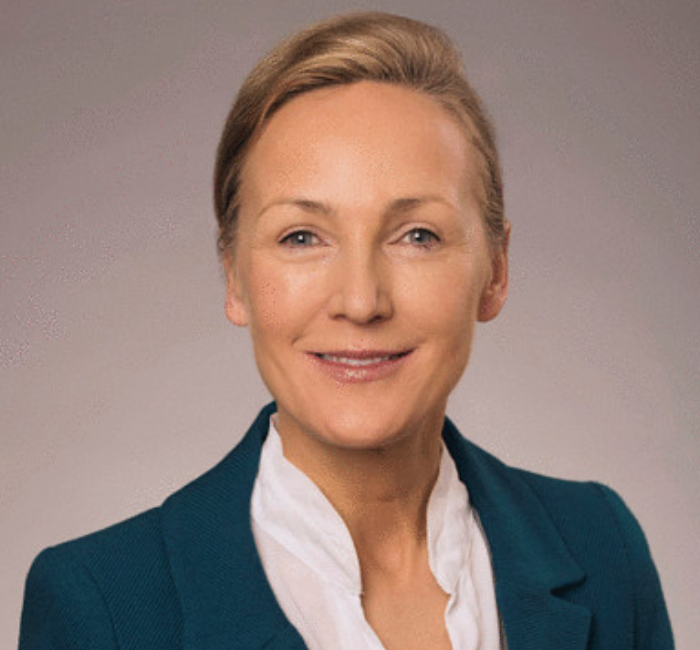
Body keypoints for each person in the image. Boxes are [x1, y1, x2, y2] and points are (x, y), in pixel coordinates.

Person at [19, 11, 673, 650]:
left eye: (418, 235)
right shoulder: (100, 607)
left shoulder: (604, 550)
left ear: (495, 271)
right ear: (235, 277)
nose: (361, 301)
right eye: (302, 237)